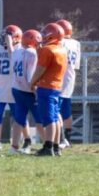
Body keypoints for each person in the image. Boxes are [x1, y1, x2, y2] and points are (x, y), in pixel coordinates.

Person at [27, 20, 70, 156]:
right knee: (56, 117)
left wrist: (32, 82)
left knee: (49, 118)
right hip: (57, 86)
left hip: (46, 86)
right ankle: (56, 146)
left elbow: (40, 69)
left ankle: (48, 146)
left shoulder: (48, 49)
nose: (43, 36)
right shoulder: (61, 49)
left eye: (46, 33)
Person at [0, 23, 21, 152]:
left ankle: (21, 142)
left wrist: (10, 45)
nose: (5, 40)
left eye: (8, 37)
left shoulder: (20, 50)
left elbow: (14, 60)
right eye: (5, 37)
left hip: (15, 88)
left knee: (19, 117)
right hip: (0, 88)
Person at [8, 26, 40, 154]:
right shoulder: (31, 53)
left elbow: (11, 51)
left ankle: (14, 147)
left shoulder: (17, 51)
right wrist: (36, 92)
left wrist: (9, 39)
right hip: (28, 91)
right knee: (41, 120)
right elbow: (31, 77)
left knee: (19, 119)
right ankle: (49, 145)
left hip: (16, 88)